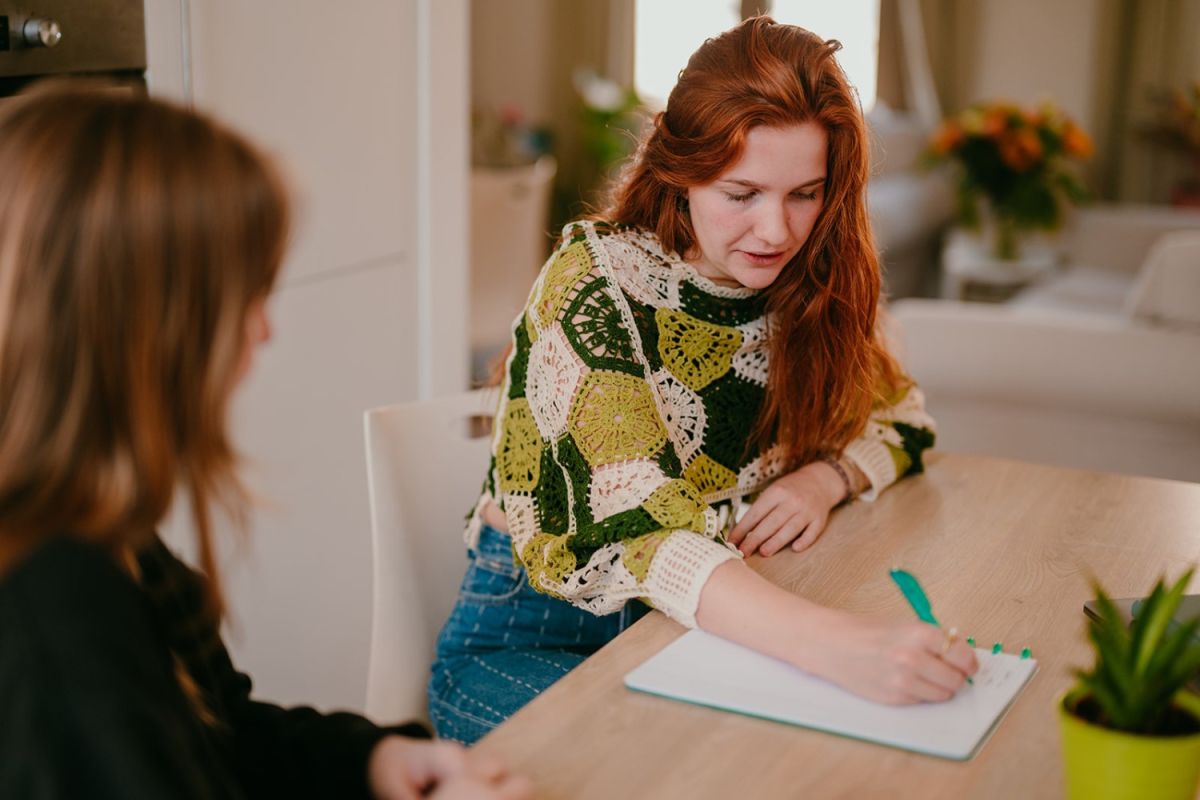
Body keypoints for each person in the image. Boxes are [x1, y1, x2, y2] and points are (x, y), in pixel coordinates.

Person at [429, 16, 978, 745]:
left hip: (694, 622)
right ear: (679, 172)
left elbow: (903, 419)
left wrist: (826, 479)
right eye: (741, 193)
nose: (776, 232)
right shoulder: (594, 282)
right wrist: (842, 647)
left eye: (804, 194)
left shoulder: (808, 283)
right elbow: (642, 525)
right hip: (533, 638)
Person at [0, 83, 529, 800]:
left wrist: (368, 762)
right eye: (242, 295)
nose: (264, 329)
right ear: (141, 324)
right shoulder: (52, 606)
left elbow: (220, 734)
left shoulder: (96, 527)